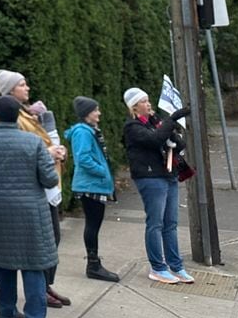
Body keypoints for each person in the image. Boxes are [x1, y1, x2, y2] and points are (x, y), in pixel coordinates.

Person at [0, 95, 61, 318]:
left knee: (2, 262)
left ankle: (7, 310)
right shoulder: (33, 142)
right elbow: (49, 179)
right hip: (30, 212)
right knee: (34, 265)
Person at [0, 69, 69, 309]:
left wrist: (55, 148)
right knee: (42, 244)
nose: (27, 88)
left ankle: (44, 286)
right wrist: (49, 153)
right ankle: (38, 293)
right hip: (32, 187)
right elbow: (22, 148)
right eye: (22, 84)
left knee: (52, 238)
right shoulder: (15, 117)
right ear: (10, 90)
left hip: (43, 182)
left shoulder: (27, 113)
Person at [122, 87, 194, 285]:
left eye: (148, 100)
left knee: (170, 223)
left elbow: (178, 145)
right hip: (150, 177)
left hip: (168, 175)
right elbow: (153, 140)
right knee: (156, 223)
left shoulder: (155, 124)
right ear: (134, 107)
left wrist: (169, 127)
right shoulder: (132, 127)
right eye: (144, 101)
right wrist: (171, 120)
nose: (149, 104)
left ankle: (176, 265)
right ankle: (158, 267)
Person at [65, 96, 120, 282]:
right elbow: (83, 158)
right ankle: (93, 265)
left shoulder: (90, 131)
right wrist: (102, 171)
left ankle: (94, 263)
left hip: (93, 184)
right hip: (90, 185)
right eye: (95, 110)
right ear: (87, 113)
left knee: (94, 224)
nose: (99, 113)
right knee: (92, 224)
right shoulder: (83, 132)